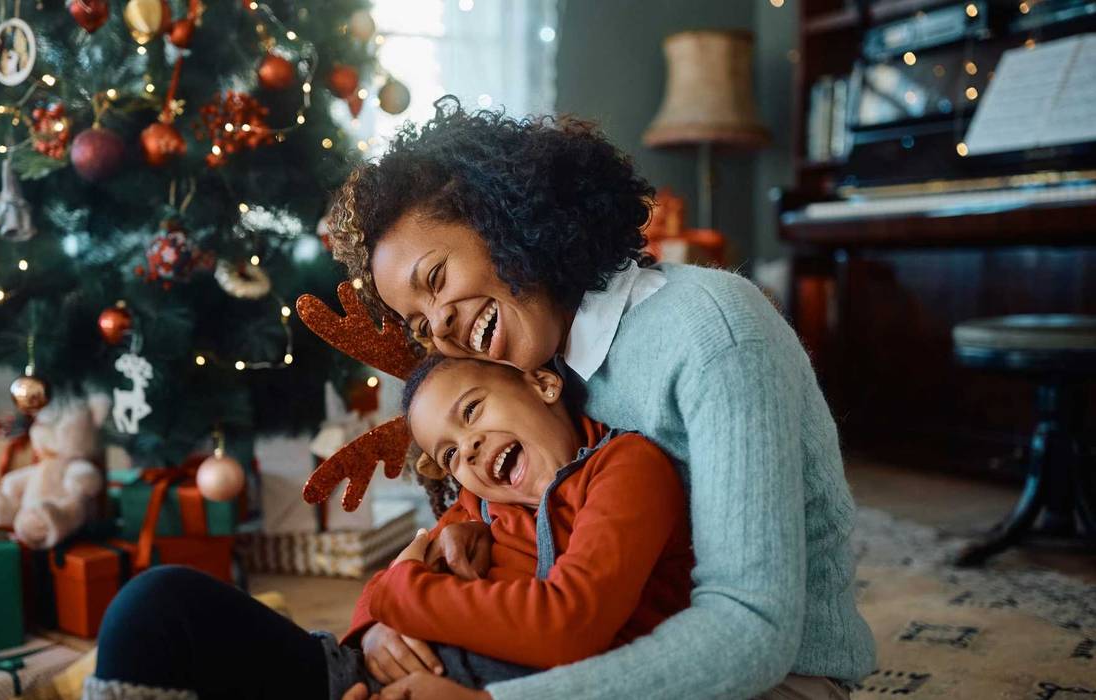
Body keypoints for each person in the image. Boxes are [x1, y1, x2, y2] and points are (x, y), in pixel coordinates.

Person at [326, 97, 876, 700]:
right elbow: (469, 521)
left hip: (771, 677)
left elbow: (752, 630)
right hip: (595, 655)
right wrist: (380, 627)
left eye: (435, 280)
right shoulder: (535, 363)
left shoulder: (713, 332)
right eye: (421, 325)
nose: (442, 326)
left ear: (498, 218)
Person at [83, 354, 693, 700]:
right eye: (451, 455)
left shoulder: (624, 466)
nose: (471, 452)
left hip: (487, 690)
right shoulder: (480, 505)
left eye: (473, 411)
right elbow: (378, 600)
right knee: (156, 602)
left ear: (543, 382)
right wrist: (372, 628)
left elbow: (569, 626)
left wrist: (397, 592)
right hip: (359, 677)